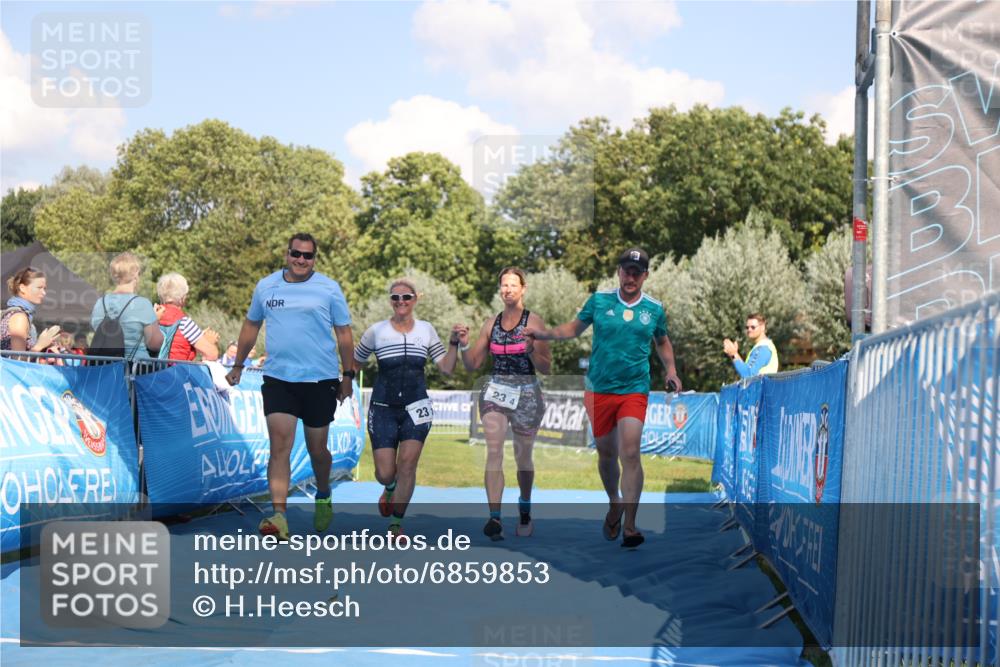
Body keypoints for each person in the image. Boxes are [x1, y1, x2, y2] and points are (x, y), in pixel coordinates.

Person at [523, 248, 681, 549]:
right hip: (598, 390)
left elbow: (662, 341)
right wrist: (541, 335)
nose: (631, 277)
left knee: (630, 453)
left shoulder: (654, 309)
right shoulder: (599, 301)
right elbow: (573, 328)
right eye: (626, 271)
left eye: (637, 273)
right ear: (619, 272)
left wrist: (671, 370)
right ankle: (614, 502)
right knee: (607, 454)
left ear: (645, 276)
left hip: (634, 389)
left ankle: (631, 526)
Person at [225, 233, 354, 541]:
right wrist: (238, 364)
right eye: (296, 253)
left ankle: (323, 493)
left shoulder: (328, 288)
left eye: (307, 255)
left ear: (314, 259)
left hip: (320, 379)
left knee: (317, 449)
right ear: (287, 254)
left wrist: (348, 375)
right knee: (279, 446)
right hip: (279, 379)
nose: (301, 260)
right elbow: (251, 325)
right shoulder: (266, 286)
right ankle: (279, 517)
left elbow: (344, 334)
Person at [353, 278, 459, 539]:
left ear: (415, 299)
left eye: (406, 297)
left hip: (417, 407)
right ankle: (389, 487)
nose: (401, 301)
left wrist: (454, 343)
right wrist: (344, 383)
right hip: (383, 408)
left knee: (408, 465)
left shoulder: (426, 329)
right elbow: (355, 363)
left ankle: (396, 525)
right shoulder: (376, 331)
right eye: (395, 297)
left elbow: (446, 368)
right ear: (391, 301)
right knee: (385, 473)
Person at [454, 267, 551, 540]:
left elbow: (547, 367)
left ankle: (524, 507)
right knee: (494, 450)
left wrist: (531, 350)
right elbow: (473, 364)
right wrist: (464, 345)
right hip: (496, 392)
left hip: (527, 394)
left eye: (513, 285)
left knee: (523, 457)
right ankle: (495, 517)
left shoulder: (535, 322)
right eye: (504, 285)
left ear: (523, 289)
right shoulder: (490, 324)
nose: (507, 289)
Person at [90, 252, 163, 360]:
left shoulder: (100, 303)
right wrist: (155, 320)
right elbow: (155, 344)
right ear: (135, 275)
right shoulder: (143, 304)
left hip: (104, 367)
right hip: (136, 367)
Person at [155, 272, 220, 361]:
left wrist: (199, 336)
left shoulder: (152, 316)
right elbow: (212, 355)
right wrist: (209, 342)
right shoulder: (184, 323)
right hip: (175, 369)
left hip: (151, 369)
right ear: (182, 298)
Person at [1, 267, 61, 355]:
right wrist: (40, 345)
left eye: (44, 288)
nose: (44, 293)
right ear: (22, 288)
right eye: (39, 287)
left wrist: (45, 347)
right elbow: (17, 359)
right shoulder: (19, 317)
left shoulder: (20, 314)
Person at [723, 313, 779, 377]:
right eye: (747, 327)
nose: (749, 330)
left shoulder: (763, 348)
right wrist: (733, 354)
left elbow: (748, 374)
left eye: (753, 327)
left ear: (762, 327)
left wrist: (734, 354)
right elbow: (746, 369)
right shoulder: (761, 346)